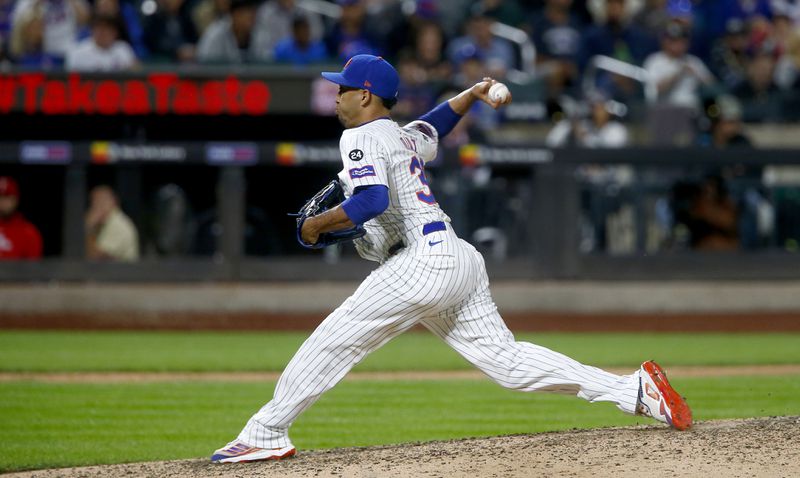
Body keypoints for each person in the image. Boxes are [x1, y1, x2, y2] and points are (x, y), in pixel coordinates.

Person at [210, 54, 692, 464]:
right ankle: (634, 391)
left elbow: (372, 200)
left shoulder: (359, 137)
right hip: (458, 259)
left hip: (421, 262)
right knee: (509, 363)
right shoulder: (399, 135)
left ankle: (264, 433)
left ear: (366, 95)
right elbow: (436, 122)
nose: (335, 96)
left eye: (343, 89)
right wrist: (472, 93)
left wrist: (316, 224)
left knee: (335, 339)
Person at [65, 14, 138, 71]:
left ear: (115, 32)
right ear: (92, 30)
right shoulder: (78, 52)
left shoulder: (123, 48)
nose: (103, 32)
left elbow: (136, 74)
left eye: (107, 29)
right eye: (99, 28)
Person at [85, 185, 139, 262]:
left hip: (122, 273)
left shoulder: (117, 223)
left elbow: (96, 257)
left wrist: (89, 227)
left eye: (101, 201)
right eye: (94, 202)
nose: (95, 207)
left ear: (113, 202)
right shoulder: (105, 223)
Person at [0, 176, 42, 260]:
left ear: (16, 200)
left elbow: (33, 270)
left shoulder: (28, 233)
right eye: (1, 197)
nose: (3, 202)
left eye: (8, 197)